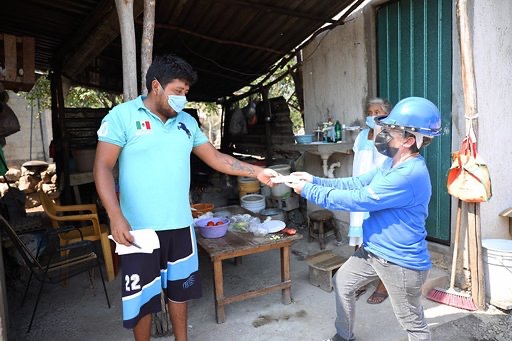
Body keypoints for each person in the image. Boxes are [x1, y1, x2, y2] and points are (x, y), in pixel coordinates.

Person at [93, 54, 279, 341]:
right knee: (141, 301)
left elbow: (216, 158)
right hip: (139, 231)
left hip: (180, 226)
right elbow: (102, 167)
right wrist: (116, 216)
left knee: (180, 293)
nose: (182, 98)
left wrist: (257, 172)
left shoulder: (186, 123)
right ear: (156, 86)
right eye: (178, 92)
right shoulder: (123, 116)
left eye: (186, 93)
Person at [288, 97, 441, 341]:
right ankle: (344, 336)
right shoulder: (392, 164)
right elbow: (356, 182)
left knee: (413, 326)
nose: (383, 133)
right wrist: (313, 180)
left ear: (409, 140)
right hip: (374, 251)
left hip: (400, 262)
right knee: (343, 282)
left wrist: (308, 192)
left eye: (391, 130)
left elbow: (358, 198)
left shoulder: (409, 174)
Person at [349, 98, 392, 304]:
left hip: (378, 193)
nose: (373, 115)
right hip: (359, 191)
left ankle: (384, 284)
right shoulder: (360, 136)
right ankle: (359, 281)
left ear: (386, 114)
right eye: (370, 111)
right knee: (359, 238)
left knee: (382, 237)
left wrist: (379, 132)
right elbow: (359, 161)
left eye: (378, 112)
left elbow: (384, 163)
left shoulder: (390, 135)